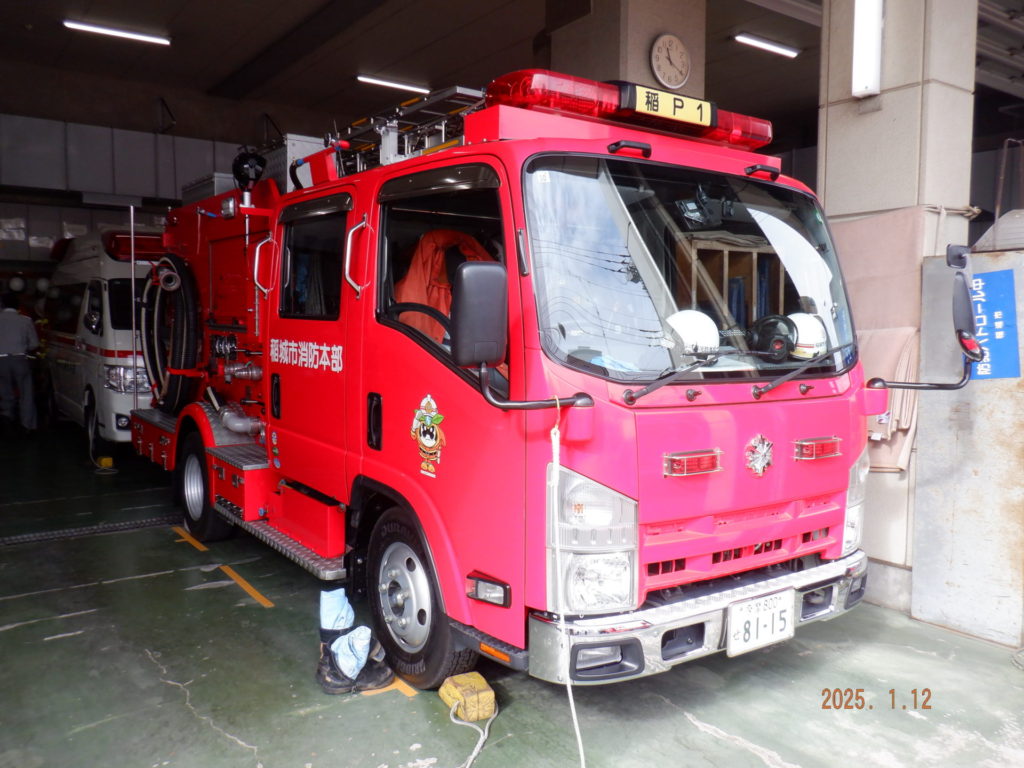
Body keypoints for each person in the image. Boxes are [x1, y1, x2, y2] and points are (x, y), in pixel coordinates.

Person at [316, 586, 394, 694]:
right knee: (336, 586)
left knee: (333, 590)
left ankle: (328, 661)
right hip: (344, 672)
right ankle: (342, 670)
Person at [0, 291, 39, 434]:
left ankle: (6, 416)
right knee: (26, 392)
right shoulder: (25, 320)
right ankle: (27, 424)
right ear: (18, 305)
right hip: (20, 359)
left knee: (5, 390)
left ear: (2, 304)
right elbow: (34, 344)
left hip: (1, 360)